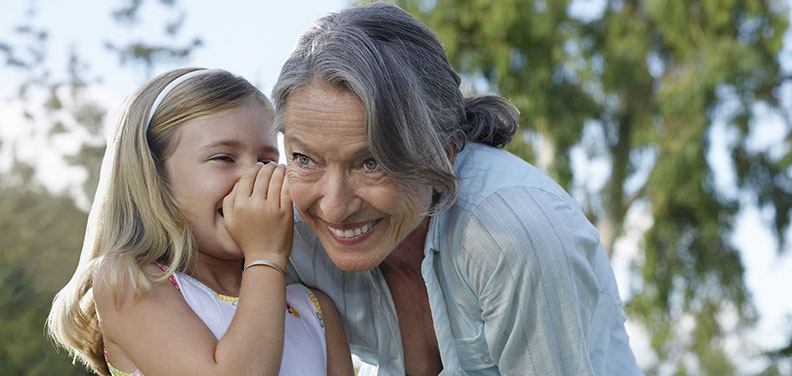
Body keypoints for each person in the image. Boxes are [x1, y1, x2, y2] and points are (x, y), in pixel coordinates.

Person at [272, 3, 642, 375]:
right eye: (305, 159)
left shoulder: (513, 237)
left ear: (443, 157)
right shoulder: (284, 233)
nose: (334, 208)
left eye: (372, 163)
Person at [47, 68, 354, 376]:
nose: (254, 176)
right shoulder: (130, 281)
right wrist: (265, 257)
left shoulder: (316, 311)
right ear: (156, 179)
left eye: (267, 161)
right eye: (224, 158)